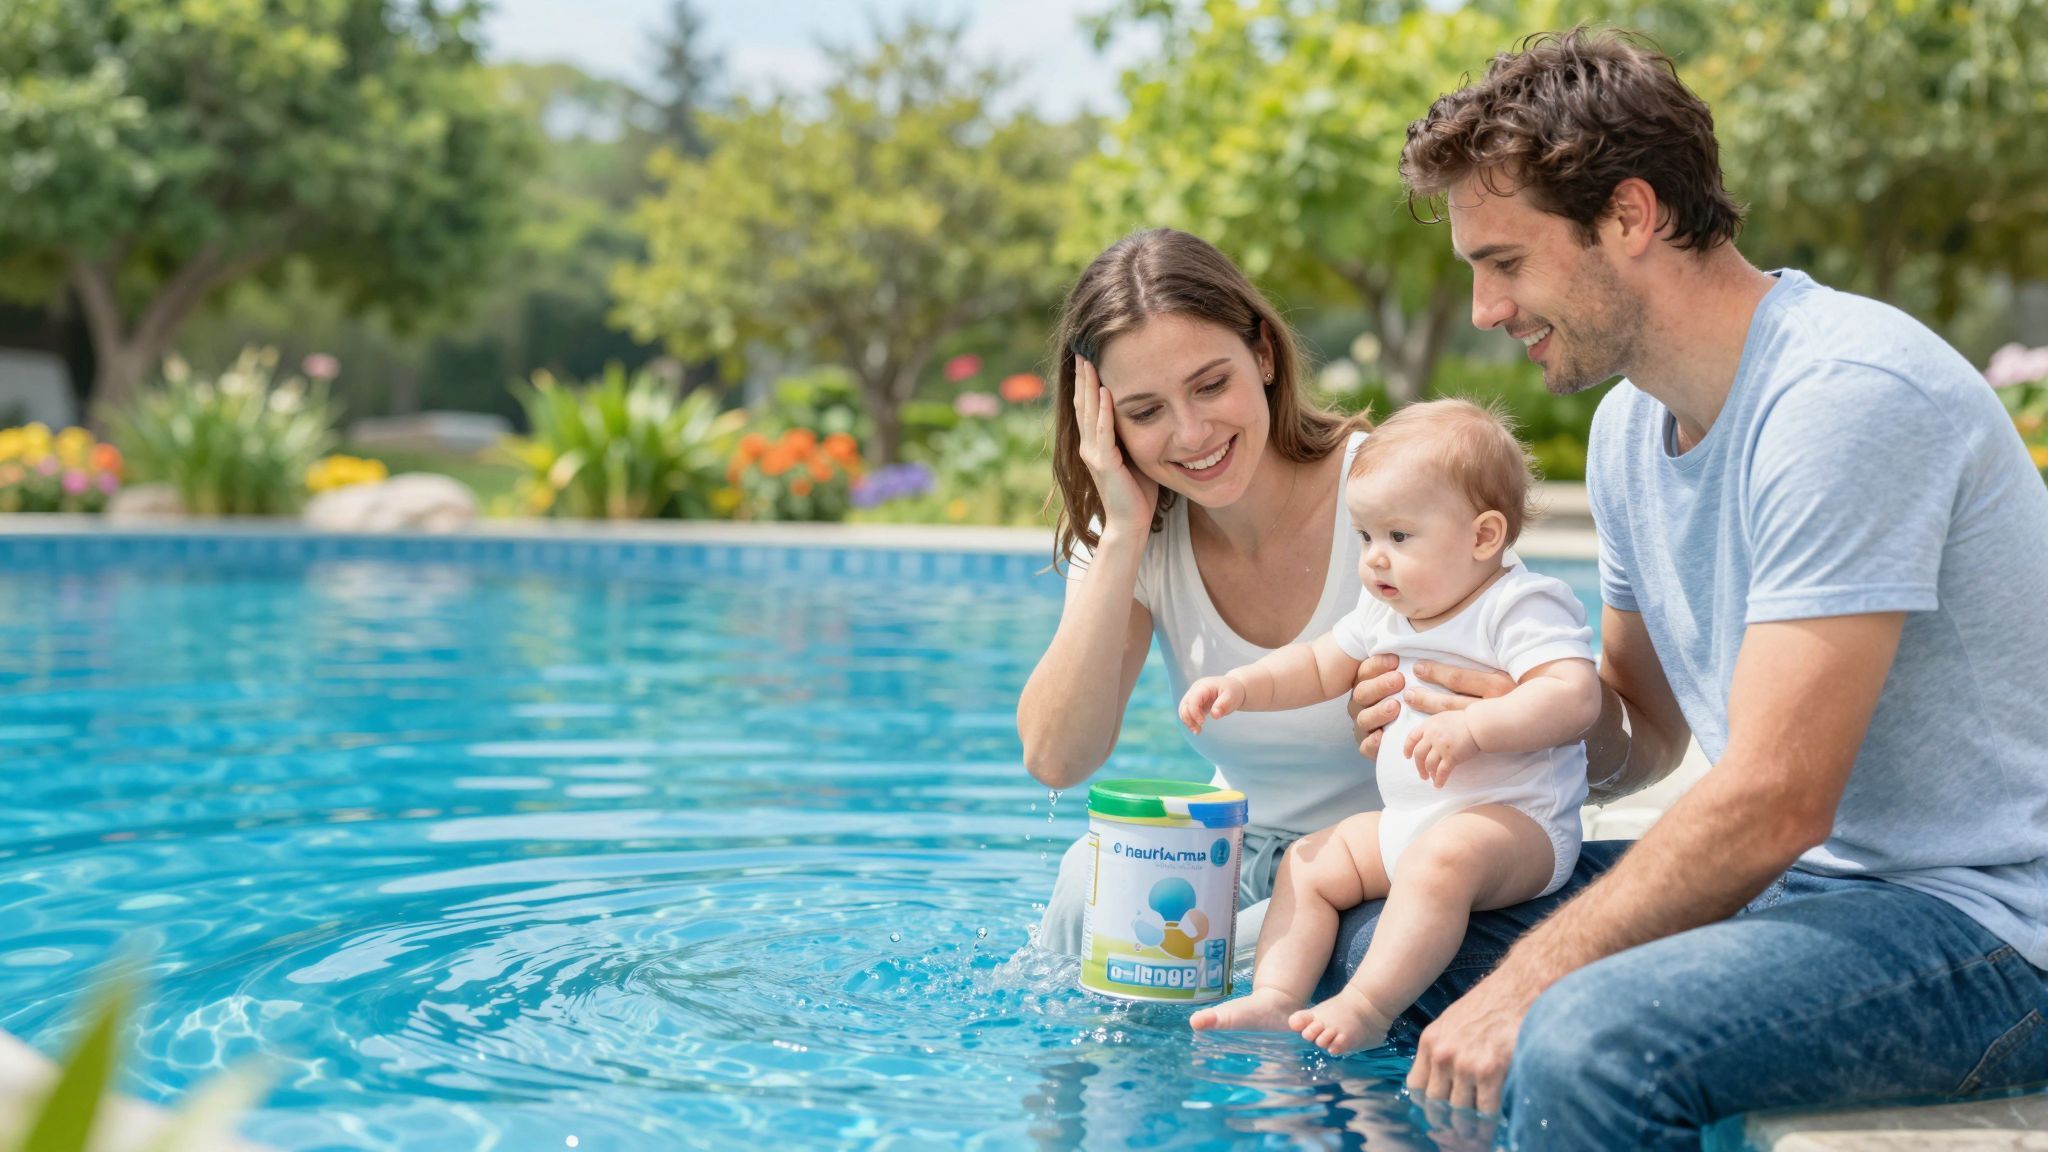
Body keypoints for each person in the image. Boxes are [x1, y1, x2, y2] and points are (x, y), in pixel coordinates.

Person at [1325, 27, 2048, 1147]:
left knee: (1586, 1040)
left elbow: (1774, 798)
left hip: (1984, 925)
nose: (1482, 310)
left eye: (1503, 263)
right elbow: (1643, 734)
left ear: (1628, 215)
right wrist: (1496, 706)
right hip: (1802, 896)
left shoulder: (1841, 398)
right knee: (1381, 941)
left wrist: (1529, 982)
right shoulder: (1626, 432)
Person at [1180, 399, 1601, 1055]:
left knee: (1443, 859)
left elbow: (1573, 695)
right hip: (1414, 820)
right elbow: (1320, 664)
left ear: (1483, 537)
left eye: (1399, 537)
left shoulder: (1516, 604)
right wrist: (1243, 685)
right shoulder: (1389, 611)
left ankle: (1369, 1007)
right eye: (1365, 537)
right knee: (1310, 862)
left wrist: (1477, 728)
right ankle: (1275, 996)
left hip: (1516, 823)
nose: (1375, 559)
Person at [1017, 227, 1382, 958]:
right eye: (1146, 411)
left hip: (1384, 865)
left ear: (1265, 355)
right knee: (1080, 884)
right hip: (1244, 855)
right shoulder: (1136, 531)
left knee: (1209, 963)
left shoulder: (1387, 491)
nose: (1191, 433)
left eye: (1211, 385)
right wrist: (1120, 534)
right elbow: (1057, 758)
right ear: (1104, 420)